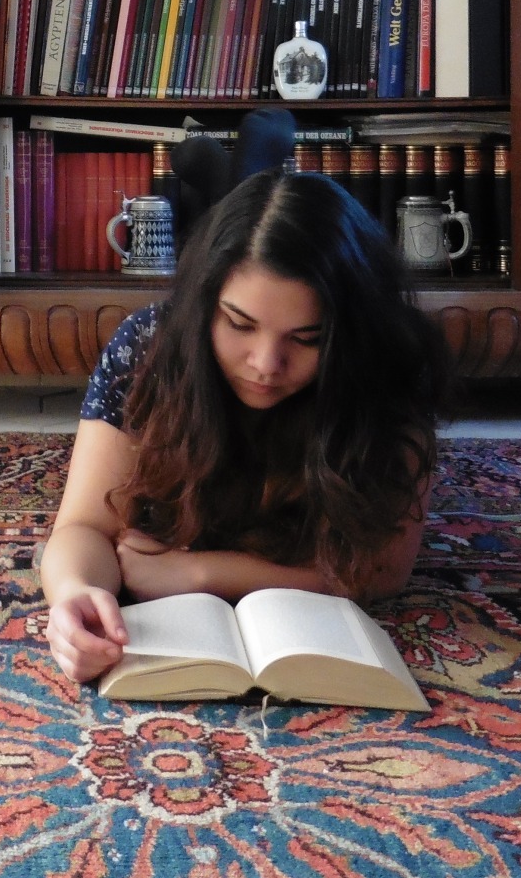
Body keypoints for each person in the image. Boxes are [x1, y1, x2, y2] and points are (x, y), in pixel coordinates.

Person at [40, 165, 453, 684]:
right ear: (203, 304)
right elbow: (82, 527)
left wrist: (201, 573)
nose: (265, 363)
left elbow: (385, 569)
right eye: (239, 324)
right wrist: (76, 594)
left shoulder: (387, 363)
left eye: (306, 339)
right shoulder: (148, 348)